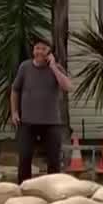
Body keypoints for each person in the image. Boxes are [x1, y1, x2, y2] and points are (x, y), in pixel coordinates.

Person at [11, 38, 74, 183]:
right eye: (37, 48)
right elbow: (15, 90)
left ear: (49, 52)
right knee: (25, 158)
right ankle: (24, 189)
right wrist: (14, 112)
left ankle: (54, 189)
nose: (39, 51)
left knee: (53, 160)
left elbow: (68, 87)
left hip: (51, 122)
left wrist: (53, 67)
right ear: (33, 51)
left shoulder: (56, 68)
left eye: (43, 49)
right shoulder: (24, 67)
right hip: (27, 122)